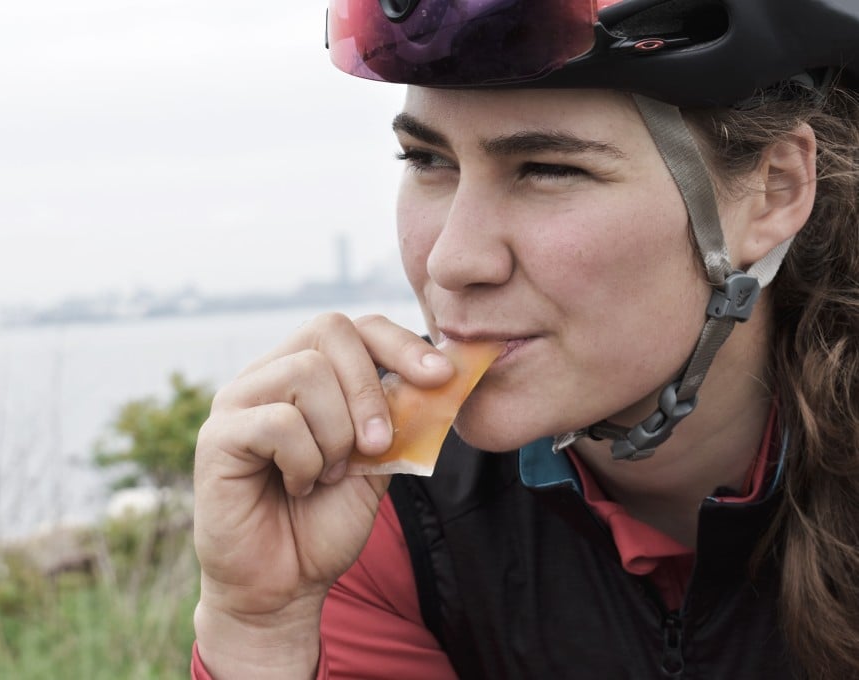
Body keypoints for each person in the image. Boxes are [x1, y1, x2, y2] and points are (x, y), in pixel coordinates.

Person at [191, 1, 859, 677]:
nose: (451, 261)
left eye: (548, 168)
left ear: (775, 191)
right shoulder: (373, 501)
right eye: (426, 158)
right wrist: (260, 629)